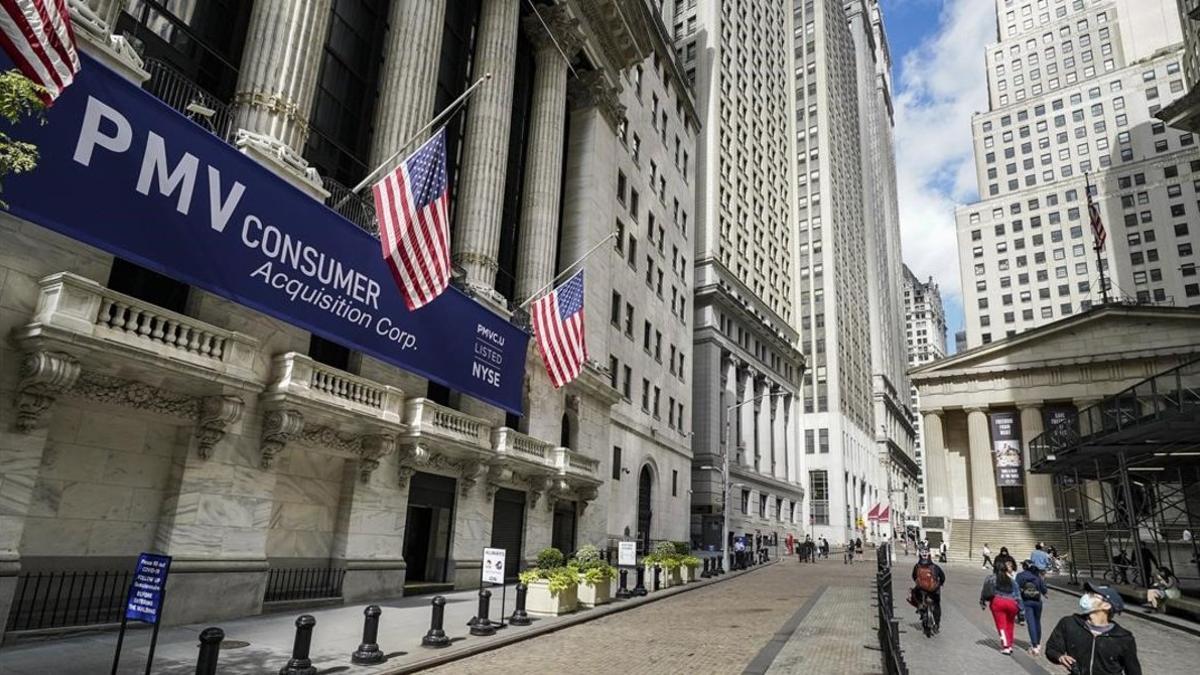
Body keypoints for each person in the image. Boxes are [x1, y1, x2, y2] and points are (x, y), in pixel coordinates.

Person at [1045, 582, 1142, 674]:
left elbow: (1133, 671)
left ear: (1106, 605)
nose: (1086, 597)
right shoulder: (1069, 623)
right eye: (1087, 593)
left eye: (1092, 595)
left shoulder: (1123, 638)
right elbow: (1051, 648)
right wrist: (1059, 656)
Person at [980, 560, 1025, 655]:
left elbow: (985, 590)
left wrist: (982, 601)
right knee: (1010, 625)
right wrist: (1021, 611)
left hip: (998, 602)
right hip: (1012, 603)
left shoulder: (991, 578)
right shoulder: (1012, 580)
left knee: (1001, 626)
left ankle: (1006, 646)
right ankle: (1010, 644)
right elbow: (1018, 596)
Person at [1017, 560, 1050, 656]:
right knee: (1037, 622)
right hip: (1037, 602)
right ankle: (1038, 644)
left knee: (1031, 623)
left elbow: (1015, 588)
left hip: (1027, 601)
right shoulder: (1036, 575)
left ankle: (1034, 646)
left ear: (1024, 567)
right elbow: (1044, 589)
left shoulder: (1020, 576)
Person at [910, 547, 946, 629]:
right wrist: (941, 583)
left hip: (922, 590)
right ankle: (937, 623)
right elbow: (942, 577)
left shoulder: (917, 566)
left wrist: (919, 582)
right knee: (937, 605)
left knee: (915, 594)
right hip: (934, 590)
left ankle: (920, 608)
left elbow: (914, 576)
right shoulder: (935, 567)